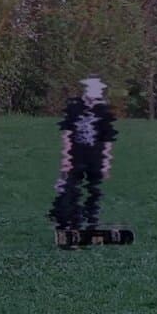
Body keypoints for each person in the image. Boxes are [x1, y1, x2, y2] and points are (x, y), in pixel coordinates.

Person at [48, 75, 118, 230]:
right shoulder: (74, 108)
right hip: (76, 157)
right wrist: (66, 159)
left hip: (95, 159)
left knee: (94, 192)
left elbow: (107, 141)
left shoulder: (104, 112)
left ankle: (92, 222)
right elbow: (67, 135)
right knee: (70, 189)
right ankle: (69, 221)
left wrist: (106, 165)